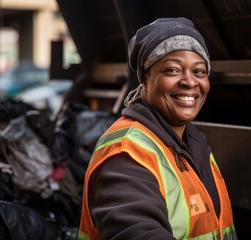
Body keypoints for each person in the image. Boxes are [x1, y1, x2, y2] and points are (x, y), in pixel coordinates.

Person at [78, 17, 237, 240]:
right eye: (172, 70)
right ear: (144, 79)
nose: (190, 82)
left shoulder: (195, 145)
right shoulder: (127, 155)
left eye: (199, 71)